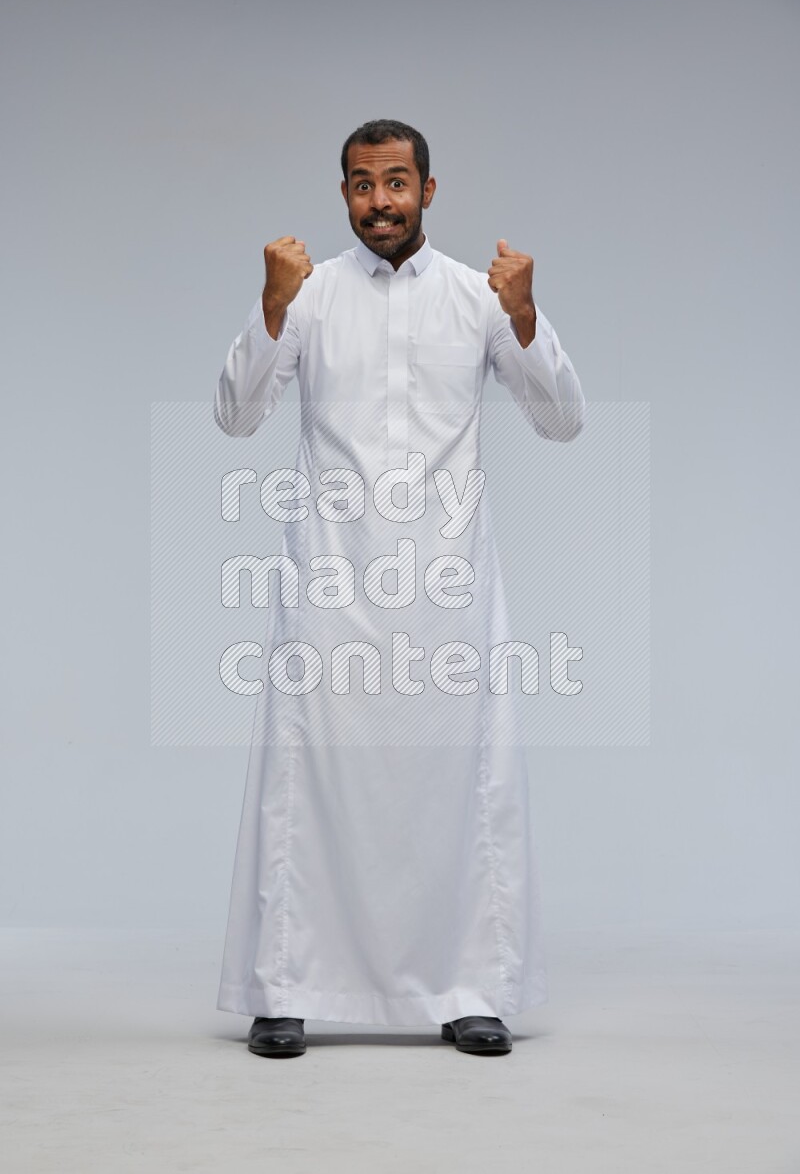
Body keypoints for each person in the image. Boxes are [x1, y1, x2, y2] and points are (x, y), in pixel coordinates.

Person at [213, 119, 585, 1057]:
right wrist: (269, 307)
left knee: (459, 783)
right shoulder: (309, 295)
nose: (379, 201)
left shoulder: (476, 296)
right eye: (361, 183)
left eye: (395, 182)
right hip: (331, 581)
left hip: (446, 586)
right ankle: (285, 987)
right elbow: (236, 415)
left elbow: (561, 421)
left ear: (428, 189)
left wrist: (527, 318)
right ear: (343, 192)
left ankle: (470, 988)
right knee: (306, 779)